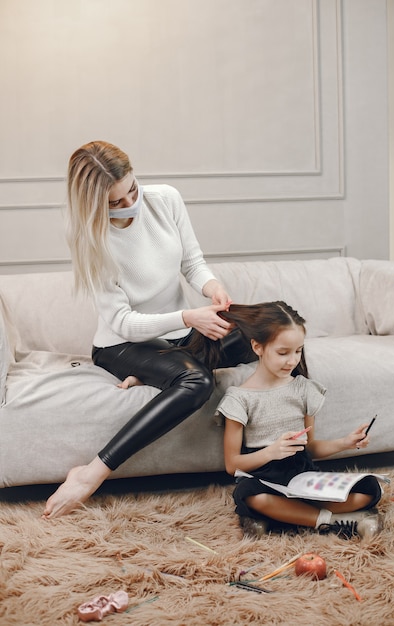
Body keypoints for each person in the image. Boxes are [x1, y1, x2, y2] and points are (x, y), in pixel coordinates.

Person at [42, 140, 255, 519]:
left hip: (175, 337)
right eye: (115, 203)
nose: (130, 205)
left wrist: (211, 287)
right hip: (121, 344)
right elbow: (122, 322)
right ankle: (91, 473)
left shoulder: (166, 199)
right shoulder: (90, 240)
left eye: (133, 191)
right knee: (197, 383)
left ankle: (157, 373)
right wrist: (188, 318)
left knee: (262, 332)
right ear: (94, 205)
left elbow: (192, 262)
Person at [214, 301, 383, 539]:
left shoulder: (304, 389)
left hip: (302, 476)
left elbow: (310, 447)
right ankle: (331, 522)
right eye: (283, 353)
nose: (292, 360)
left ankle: (283, 517)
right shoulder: (239, 398)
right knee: (249, 495)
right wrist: (272, 451)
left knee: (369, 489)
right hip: (264, 478)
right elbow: (233, 465)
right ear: (258, 347)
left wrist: (345, 442)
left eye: (298, 351)